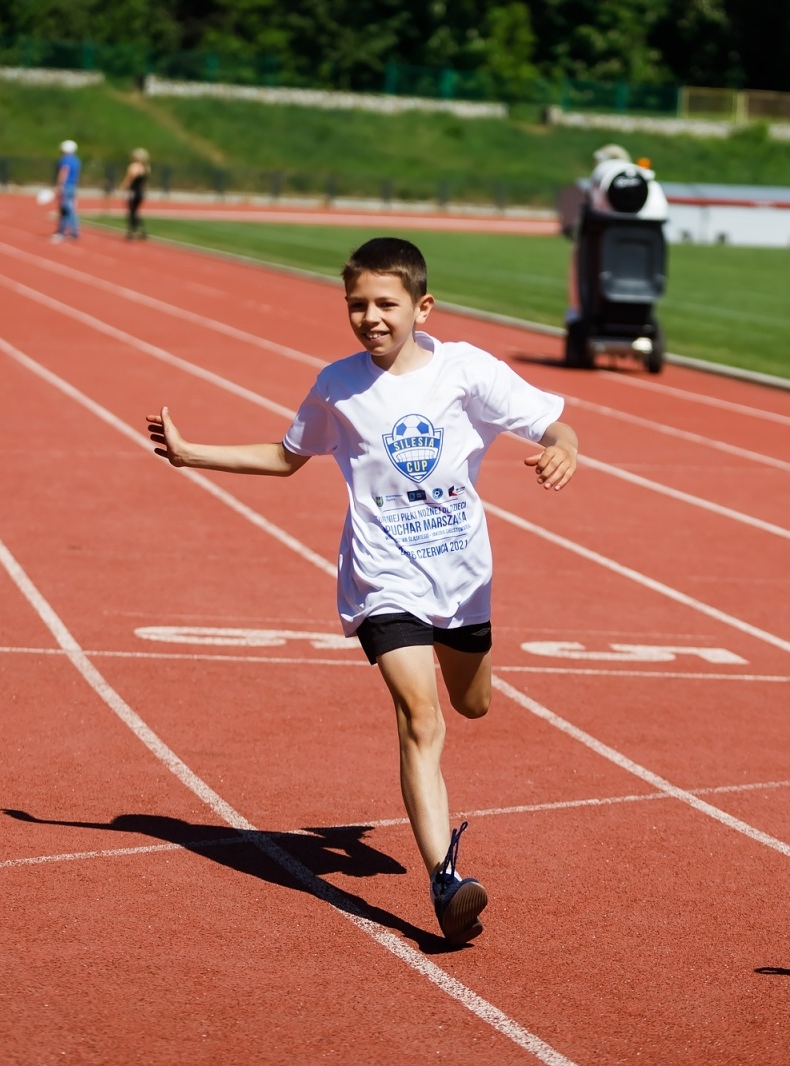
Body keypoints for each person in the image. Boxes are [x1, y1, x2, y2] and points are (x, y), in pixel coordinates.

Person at [145, 238, 579, 943]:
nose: (370, 317)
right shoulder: (337, 385)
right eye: (357, 304)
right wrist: (194, 454)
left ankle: (458, 662)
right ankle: (445, 880)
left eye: (385, 303)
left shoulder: (466, 371)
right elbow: (288, 457)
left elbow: (553, 421)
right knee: (422, 719)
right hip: (383, 578)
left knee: (473, 704)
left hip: (463, 577)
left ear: (422, 306)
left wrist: (566, 447)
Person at [52, 139, 80, 242]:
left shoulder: (65, 159)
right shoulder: (76, 160)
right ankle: (73, 231)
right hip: (72, 186)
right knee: (70, 209)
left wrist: (59, 185)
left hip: (66, 186)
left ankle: (62, 231)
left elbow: (64, 171)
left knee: (65, 210)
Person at [121, 148, 148, 240]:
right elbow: (144, 183)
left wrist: (123, 187)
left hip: (133, 192)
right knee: (136, 211)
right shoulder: (145, 168)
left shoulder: (133, 167)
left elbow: (129, 179)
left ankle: (131, 231)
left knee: (132, 211)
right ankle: (140, 230)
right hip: (140, 192)